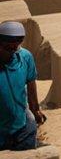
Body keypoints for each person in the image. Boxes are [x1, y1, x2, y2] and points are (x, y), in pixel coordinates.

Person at [1, 21, 45, 151]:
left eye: (16, 47)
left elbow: (31, 83)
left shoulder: (25, 57)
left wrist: (35, 109)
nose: (13, 51)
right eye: (8, 48)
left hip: (22, 125)